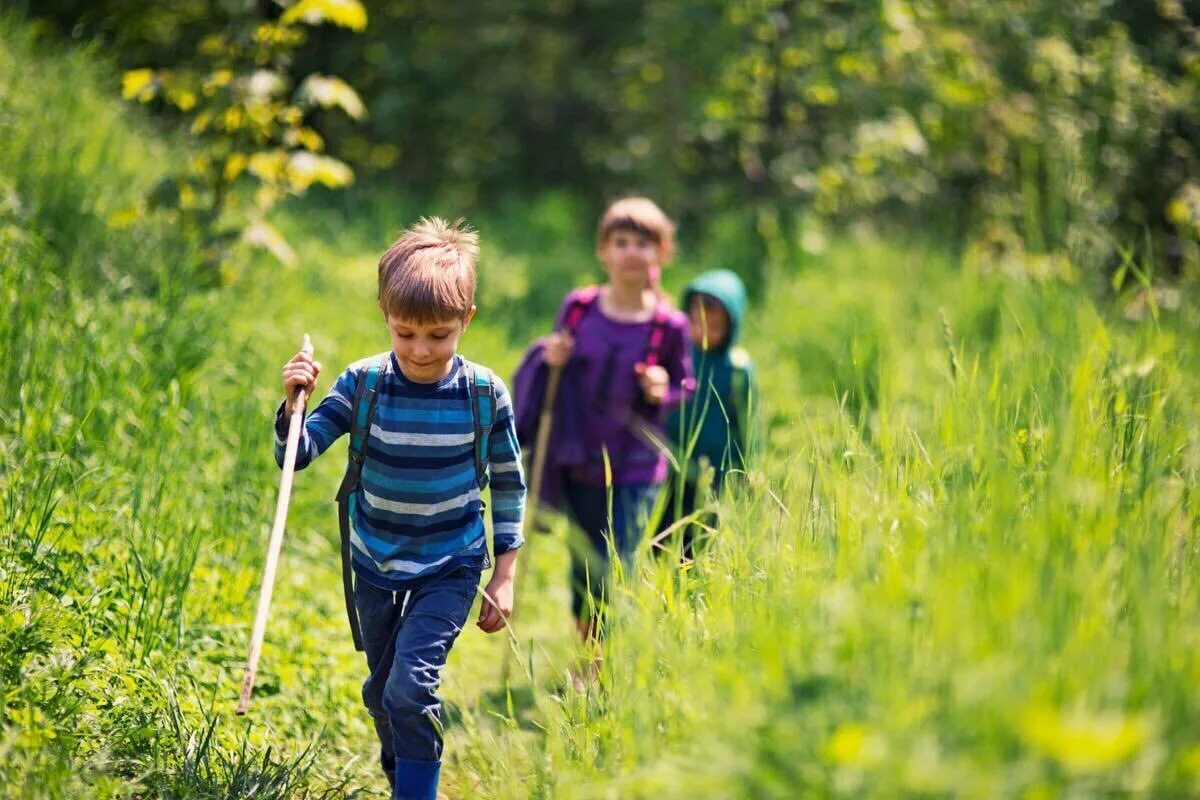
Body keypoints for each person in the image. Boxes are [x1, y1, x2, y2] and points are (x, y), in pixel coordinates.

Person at [276, 217, 525, 800]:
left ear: (467, 320)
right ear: (385, 315)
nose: (420, 350)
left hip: (452, 561)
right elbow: (301, 453)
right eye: (405, 332)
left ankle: (417, 793)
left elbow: (511, 483)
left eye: (439, 335)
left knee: (409, 687)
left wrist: (505, 574)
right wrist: (292, 409)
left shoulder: (484, 393)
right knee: (382, 692)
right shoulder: (363, 383)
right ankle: (404, 777)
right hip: (374, 559)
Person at [515, 197, 693, 649]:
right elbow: (554, 366)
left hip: (636, 463)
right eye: (622, 242)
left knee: (618, 561)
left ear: (661, 253)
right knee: (585, 564)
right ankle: (588, 655)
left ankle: (607, 662)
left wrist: (662, 387)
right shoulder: (579, 308)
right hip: (580, 458)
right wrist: (552, 358)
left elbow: (684, 386)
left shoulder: (668, 325)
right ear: (604, 252)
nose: (632, 252)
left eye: (643, 243)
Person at [659, 269, 756, 558]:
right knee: (660, 535)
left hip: (714, 472)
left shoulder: (737, 369)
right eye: (697, 324)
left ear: (732, 327)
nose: (703, 333)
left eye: (714, 328)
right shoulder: (677, 356)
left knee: (699, 542)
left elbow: (749, 424)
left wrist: (748, 468)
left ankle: (690, 590)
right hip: (670, 462)